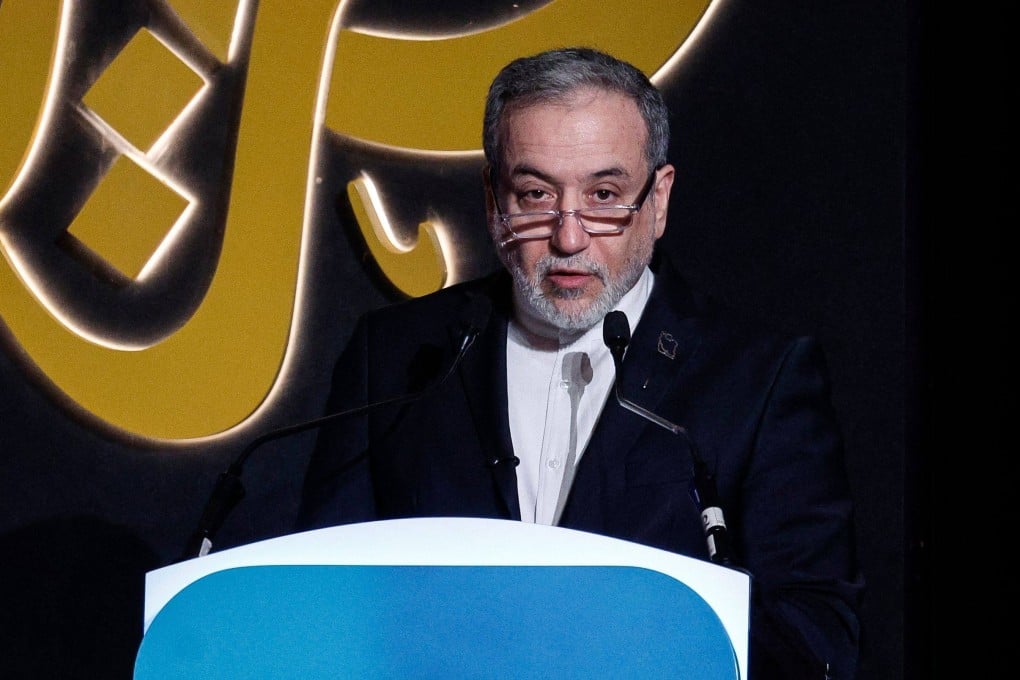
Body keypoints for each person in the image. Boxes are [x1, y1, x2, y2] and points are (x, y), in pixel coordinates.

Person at [297, 46, 863, 678]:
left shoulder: (759, 379)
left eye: (604, 194)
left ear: (659, 200)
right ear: (493, 200)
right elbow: (327, 598)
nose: (569, 238)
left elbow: (816, 635)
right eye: (536, 194)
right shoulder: (398, 358)